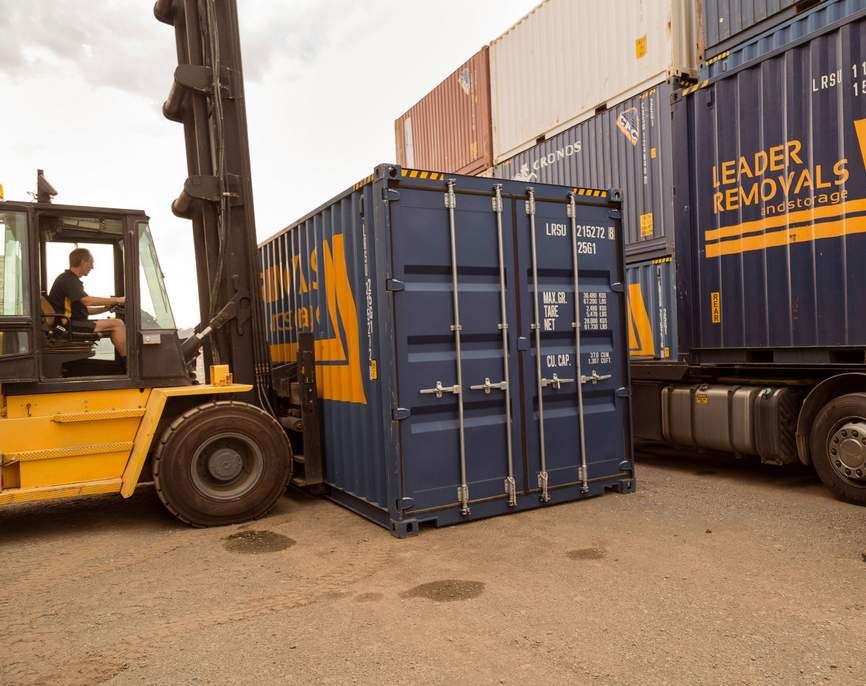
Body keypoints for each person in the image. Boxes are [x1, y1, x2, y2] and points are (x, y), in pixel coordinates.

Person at [48, 248, 127, 359]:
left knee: (113, 325)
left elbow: (84, 309)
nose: (92, 267)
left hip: (71, 322)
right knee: (118, 324)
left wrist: (106, 308)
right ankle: (129, 364)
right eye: (91, 263)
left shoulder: (70, 280)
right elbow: (87, 301)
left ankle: (123, 364)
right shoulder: (68, 280)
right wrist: (118, 300)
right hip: (66, 325)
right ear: (83, 262)